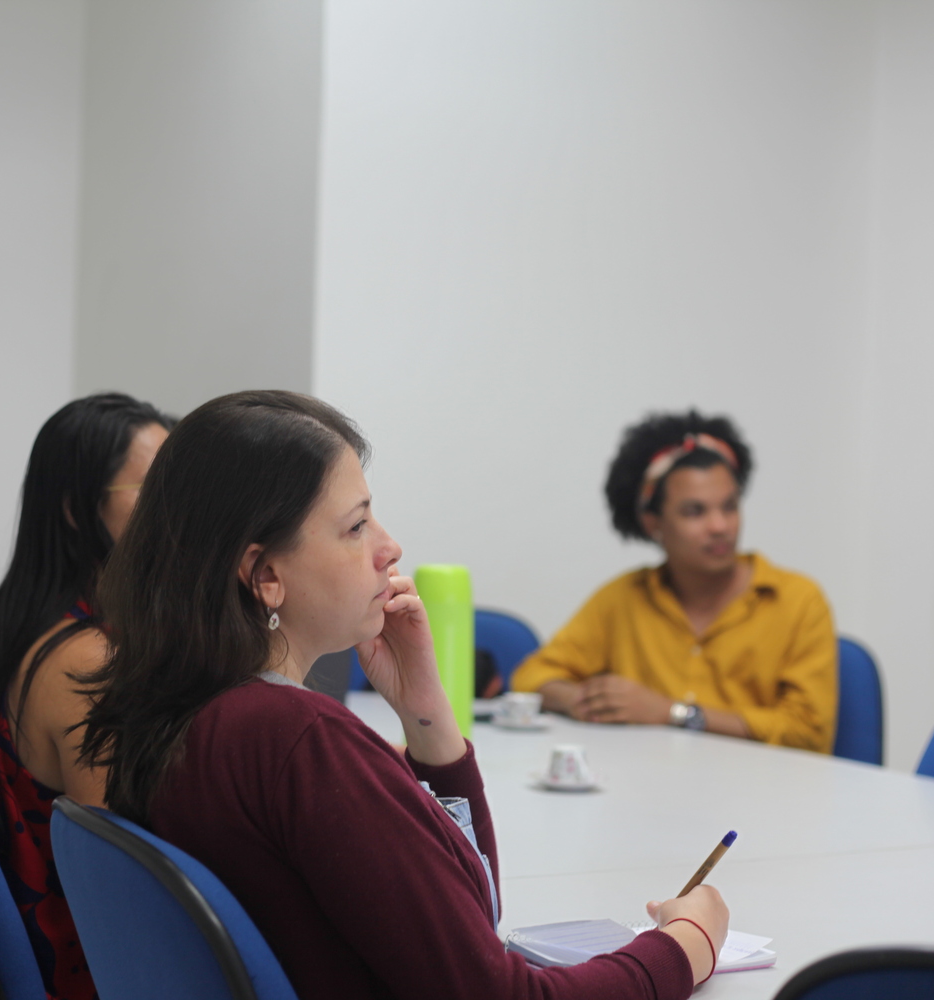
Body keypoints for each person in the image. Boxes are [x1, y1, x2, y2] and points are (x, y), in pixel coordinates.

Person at [79, 390, 729, 999]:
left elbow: (470, 917)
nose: (390, 547)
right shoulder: (295, 739)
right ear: (265, 574)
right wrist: (685, 945)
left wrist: (426, 711)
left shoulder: (186, 708)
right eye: (356, 526)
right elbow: (502, 993)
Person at [0, 392, 172, 1000]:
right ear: (80, 510)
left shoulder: (19, 623)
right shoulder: (84, 660)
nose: (177, 512)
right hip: (78, 971)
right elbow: (121, 879)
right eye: (153, 491)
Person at [511, 411, 837, 751]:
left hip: (766, 794)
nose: (720, 526)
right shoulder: (623, 598)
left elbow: (809, 733)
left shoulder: (798, 600)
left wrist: (672, 713)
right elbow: (531, 676)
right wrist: (586, 700)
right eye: (695, 512)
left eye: (729, 507)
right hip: (649, 786)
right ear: (653, 524)